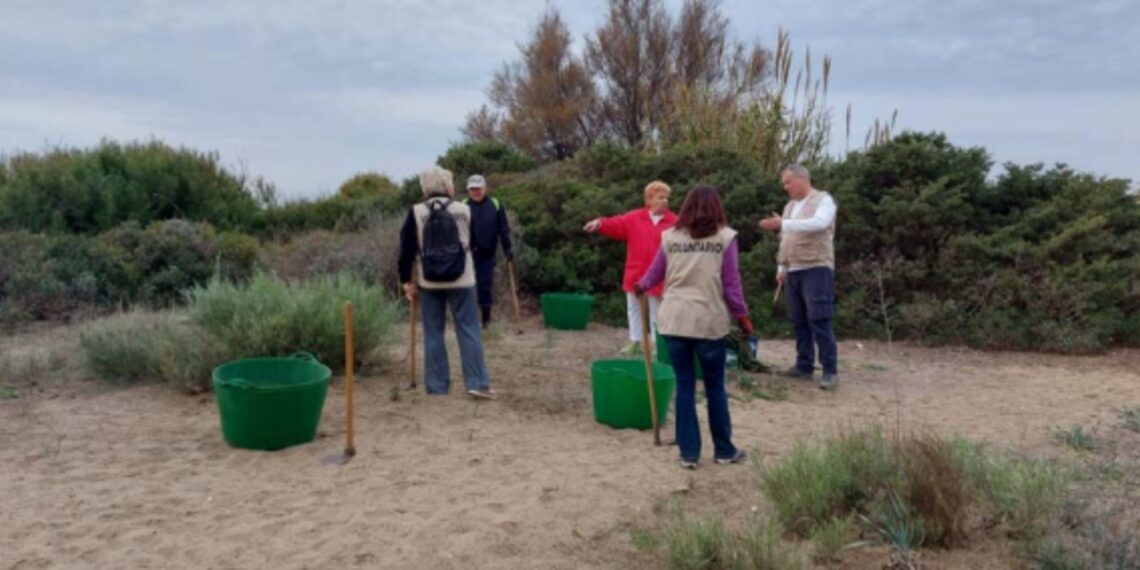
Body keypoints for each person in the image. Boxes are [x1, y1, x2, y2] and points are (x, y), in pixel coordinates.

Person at [636, 186, 751, 470]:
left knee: (684, 385)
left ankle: (689, 453)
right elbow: (732, 285)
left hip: (674, 320)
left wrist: (641, 285)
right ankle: (724, 450)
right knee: (714, 386)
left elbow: (653, 274)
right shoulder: (725, 238)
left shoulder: (671, 237)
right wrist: (743, 317)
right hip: (708, 321)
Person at [397, 166, 496, 399]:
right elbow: (475, 242)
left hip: (429, 281)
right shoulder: (464, 209)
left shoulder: (416, 211)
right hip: (463, 279)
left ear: (425, 187)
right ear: (447, 186)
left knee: (433, 332)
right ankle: (477, 384)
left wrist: (406, 281)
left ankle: (437, 386)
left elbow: (406, 249)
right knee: (469, 330)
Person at [759, 163, 839, 391]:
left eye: (788, 182)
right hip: (793, 269)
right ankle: (804, 365)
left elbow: (820, 223)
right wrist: (781, 267)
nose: (785, 187)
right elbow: (785, 239)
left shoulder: (824, 200)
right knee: (798, 320)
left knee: (819, 318)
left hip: (816, 266)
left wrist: (783, 223)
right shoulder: (789, 207)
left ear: (801, 179)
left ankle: (830, 370)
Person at [583, 181, 677, 354]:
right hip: (636, 272)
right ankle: (635, 341)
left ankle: (657, 345)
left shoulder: (674, 222)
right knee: (633, 308)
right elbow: (616, 224)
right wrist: (600, 223)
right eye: (660, 197)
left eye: (666, 198)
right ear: (649, 199)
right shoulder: (635, 217)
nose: (665, 201)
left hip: (659, 275)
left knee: (657, 311)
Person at [462, 174, 514, 329]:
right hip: (467, 256)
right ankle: (469, 321)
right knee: (467, 287)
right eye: (473, 189)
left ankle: (486, 322)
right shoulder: (463, 205)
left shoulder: (495, 204)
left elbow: (504, 229)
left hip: (487, 254)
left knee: (485, 286)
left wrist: (508, 249)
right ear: (468, 190)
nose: (476, 192)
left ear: (485, 188)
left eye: (478, 188)